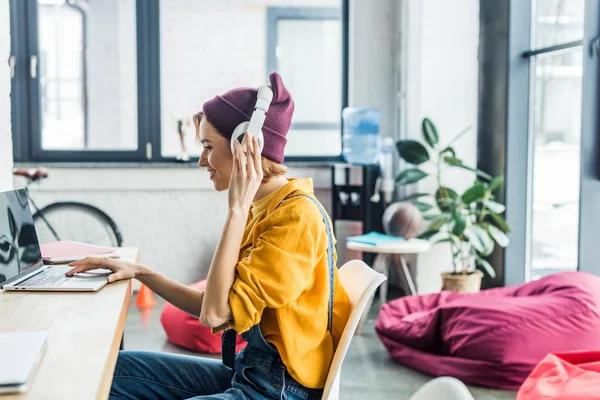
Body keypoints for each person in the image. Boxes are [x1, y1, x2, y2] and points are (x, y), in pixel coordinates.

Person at [66, 72, 352, 400]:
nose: (202, 160)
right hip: (251, 373)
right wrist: (141, 273)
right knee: (107, 371)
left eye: (207, 147)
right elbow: (213, 305)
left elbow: (213, 315)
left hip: (279, 391)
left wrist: (236, 210)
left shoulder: (296, 219)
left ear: (246, 146)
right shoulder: (266, 207)